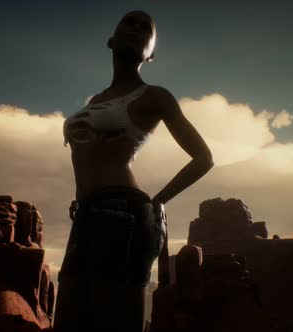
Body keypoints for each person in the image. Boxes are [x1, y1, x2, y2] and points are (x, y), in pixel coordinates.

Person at [54, 10, 213, 331]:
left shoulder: (154, 96)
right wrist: (81, 199)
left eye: (146, 28)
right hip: (86, 215)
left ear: (151, 53)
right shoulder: (94, 100)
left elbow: (203, 158)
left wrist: (157, 201)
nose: (137, 29)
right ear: (111, 40)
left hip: (124, 215)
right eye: (130, 22)